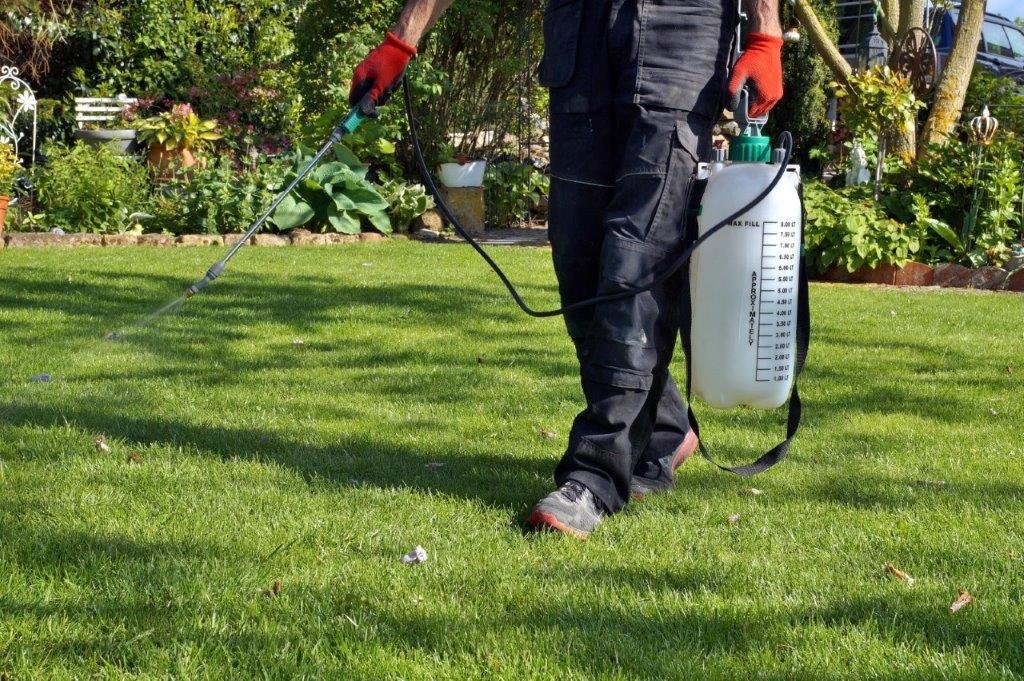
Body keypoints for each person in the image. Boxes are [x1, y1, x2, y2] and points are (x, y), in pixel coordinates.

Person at [350, 0, 784, 538]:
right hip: (579, 37)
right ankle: (666, 428)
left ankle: (594, 473)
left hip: (681, 33)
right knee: (578, 264)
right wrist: (400, 42)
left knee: (635, 258)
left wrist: (767, 34)